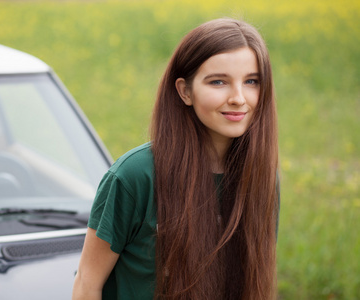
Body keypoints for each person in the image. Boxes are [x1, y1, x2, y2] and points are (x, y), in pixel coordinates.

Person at [72, 18, 279, 300]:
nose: (238, 98)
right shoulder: (135, 176)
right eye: (218, 81)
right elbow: (87, 283)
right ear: (185, 91)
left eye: (252, 81)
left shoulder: (262, 177)